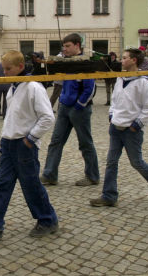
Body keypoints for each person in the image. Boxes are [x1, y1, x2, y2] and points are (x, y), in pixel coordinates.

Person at [0, 50, 58, 240]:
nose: (5, 72)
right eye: (4, 69)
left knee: (31, 185)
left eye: (9, 69)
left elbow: (47, 117)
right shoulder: (13, 88)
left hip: (24, 144)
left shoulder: (34, 87)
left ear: (20, 67)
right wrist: (6, 137)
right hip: (8, 143)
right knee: (3, 183)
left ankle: (48, 220)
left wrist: (30, 138)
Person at [90, 48, 148, 208]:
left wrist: (137, 125)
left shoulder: (144, 82)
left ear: (134, 60)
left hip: (131, 130)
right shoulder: (120, 79)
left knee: (137, 162)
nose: (122, 60)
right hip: (116, 127)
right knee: (111, 162)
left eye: (125, 58)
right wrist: (112, 115)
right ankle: (109, 195)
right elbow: (115, 100)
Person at [40, 33, 100, 186]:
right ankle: (49, 174)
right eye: (63, 46)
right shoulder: (66, 63)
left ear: (77, 46)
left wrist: (79, 105)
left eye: (67, 46)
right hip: (64, 107)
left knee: (85, 143)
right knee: (55, 141)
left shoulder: (85, 62)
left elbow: (90, 89)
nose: (64, 49)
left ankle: (92, 176)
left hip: (79, 109)